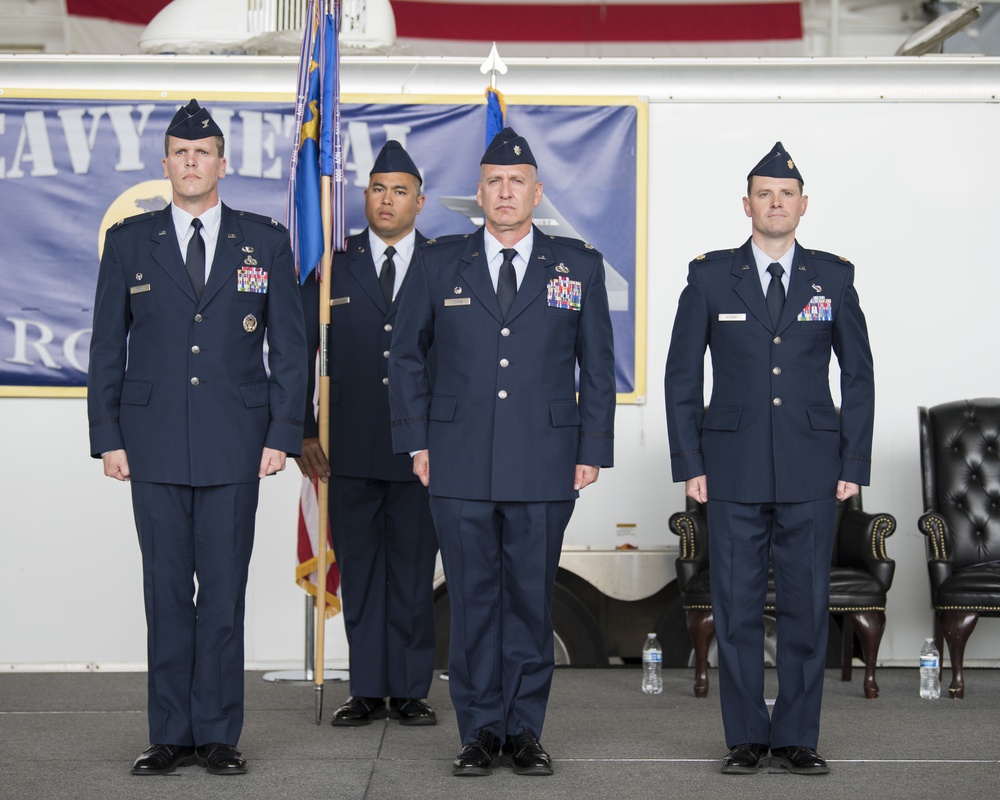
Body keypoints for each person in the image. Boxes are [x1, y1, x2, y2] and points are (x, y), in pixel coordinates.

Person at [87, 99, 307, 776]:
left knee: (221, 592)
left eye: (202, 151)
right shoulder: (130, 242)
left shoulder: (264, 242)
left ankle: (216, 734)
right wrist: (108, 436)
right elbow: (105, 349)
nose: (191, 162)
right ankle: (168, 734)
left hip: (236, 442)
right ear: (165, 165)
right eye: (180, 153)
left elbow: (291, 350)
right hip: (150, 443)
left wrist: (283, 433)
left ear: (222, 162)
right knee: (163, 592)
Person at [388, 127, 616, 777]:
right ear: (480, 193)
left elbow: (597, 367)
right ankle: (480, 730)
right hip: (456, 458)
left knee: (529, 599)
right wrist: (417, 441)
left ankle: (526, 731)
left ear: (537, 192)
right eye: (495, 181)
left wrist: (591, 448)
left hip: (546, 459)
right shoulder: (437, 263)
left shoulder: (577, 266)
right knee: (472, 599)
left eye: (518, 181)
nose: (506, 191)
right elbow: (405, 357)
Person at [664, 142, 875, 776]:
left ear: (803, 205)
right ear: (747, 203)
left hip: (813, 466)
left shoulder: (833, 277)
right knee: (736, 605)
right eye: (764, 193)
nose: (775, 202)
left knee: (809, 605)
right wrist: (690, 462)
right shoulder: (709, 275)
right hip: (730, 466)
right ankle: (746, 737)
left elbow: (859, 376)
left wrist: (853, 464)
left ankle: (798, 737)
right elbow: (682, 376)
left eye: (786, 194)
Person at [295, 140, 439, 727]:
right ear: (364, 197)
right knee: (359, 573)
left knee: (411, 574)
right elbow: (297, 350)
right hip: (345, 448)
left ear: (420, 202)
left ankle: (408, 690)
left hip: (422, 451)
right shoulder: (333, 265)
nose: (388, 200)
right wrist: (301, 430)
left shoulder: (447, 262)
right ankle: (366, 688)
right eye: (378, 189)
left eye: (400, 190)